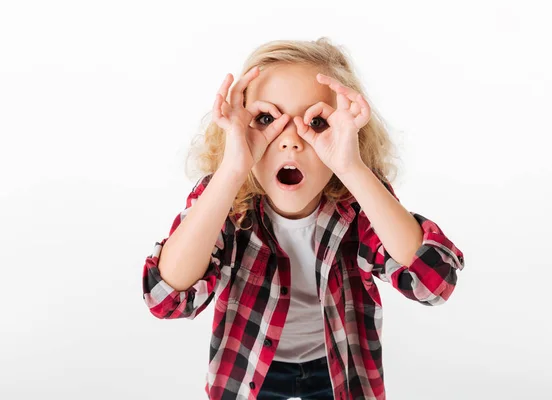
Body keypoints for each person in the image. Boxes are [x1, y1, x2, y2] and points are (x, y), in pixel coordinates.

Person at [141, 37, 465, 400]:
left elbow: (434, 282)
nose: (291, 141)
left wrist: (351, 167)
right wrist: (233, 169)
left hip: (338, 364)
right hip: (251, 365)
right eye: (266, 119)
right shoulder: (225, 201)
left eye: (317, 122)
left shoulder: (358, 203)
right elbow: (164, 298)